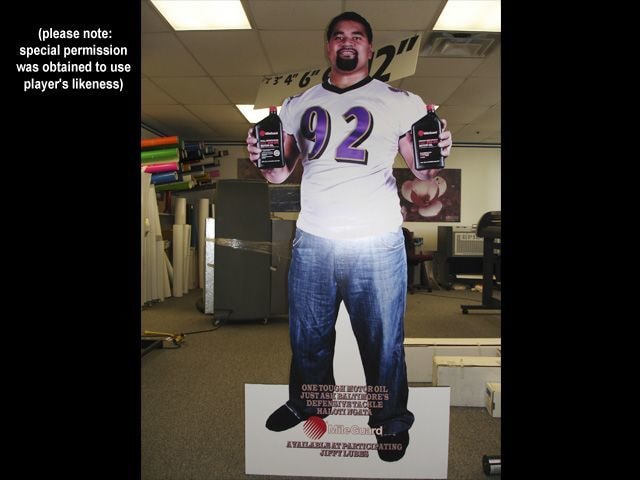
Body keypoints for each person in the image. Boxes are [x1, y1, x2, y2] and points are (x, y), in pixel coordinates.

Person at [246, 11, 452, 462]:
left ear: (369, 48)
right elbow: (279, 173)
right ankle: (309, 403)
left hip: (376, 239)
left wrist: (436, 151)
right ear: (328, 47)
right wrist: (262, 158)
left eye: (357, 36)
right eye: (339, 36)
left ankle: (390, 420)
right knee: (308, 336)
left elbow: (423, 171)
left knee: (383, 340)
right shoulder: (297, 104)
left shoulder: (402, 101)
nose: (347, 42)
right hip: (315, 238)